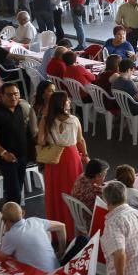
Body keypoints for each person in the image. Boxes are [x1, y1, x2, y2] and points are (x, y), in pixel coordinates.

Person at [39, 91, 88, 237]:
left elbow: (41, 141)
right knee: (73, 192)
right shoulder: (74, 120)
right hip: (72, 157)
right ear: (62, 103)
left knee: (55, 192)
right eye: (67, 100)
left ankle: (56, 230)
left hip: (54, 158)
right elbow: (80, 140)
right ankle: (74, 229)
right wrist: (85, 155)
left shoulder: (46, 120)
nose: (70, 102)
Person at [0, 83, 34, 205]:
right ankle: (12, 218)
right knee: (14, 192)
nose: (13, 97)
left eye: (16, 94)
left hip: (22, 155)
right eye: (9, 95)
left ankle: (13, 214)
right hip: (7, 158)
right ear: (2, 96)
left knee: (19, 187)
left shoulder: (19, 108)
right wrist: (3, 153)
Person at [0, 202, 66, 272]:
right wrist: (61, 252)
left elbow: (0, 258)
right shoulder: (35, 221)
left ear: (4, 219)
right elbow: (61, 226)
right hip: (57, 271)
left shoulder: (10, 235)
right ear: (23, 213)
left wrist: (6, 232)